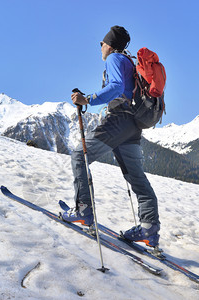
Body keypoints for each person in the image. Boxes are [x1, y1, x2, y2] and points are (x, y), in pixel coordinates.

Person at [61, 26, 160, 248]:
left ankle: (83, 211)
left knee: (79, 155)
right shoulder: (129, 62)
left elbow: (116, 88)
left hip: (119, 121)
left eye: (102, 43)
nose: (101, 47)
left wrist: (88, 99)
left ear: (111, 44)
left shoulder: (115, 58)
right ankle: (149, 228)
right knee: (136, 177)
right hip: (133, 125)